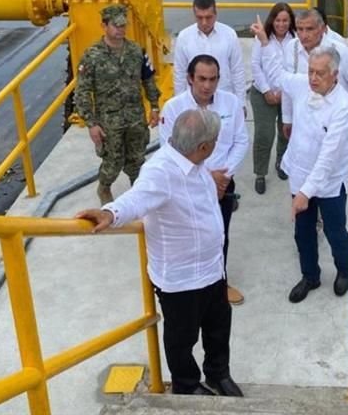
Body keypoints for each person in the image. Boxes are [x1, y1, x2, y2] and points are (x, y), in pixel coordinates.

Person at [76, 109, 244, 398]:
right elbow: (137, 198)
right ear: (203, 146)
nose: (216, 144)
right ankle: (187, 385)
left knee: (218, 328)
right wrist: (110, 212)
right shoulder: (160, 171)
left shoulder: (194, 161)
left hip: (212, 271)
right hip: (181, 280)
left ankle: (218, 374)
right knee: (182, 338)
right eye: (215, 140)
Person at [251, 15, 348, 304]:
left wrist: (305, 194)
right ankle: (310, 275)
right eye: (310, 71)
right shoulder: (301, 86)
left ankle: (343, 269)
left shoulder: (343, 106)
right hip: (300, 174)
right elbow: (277, 73)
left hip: (329, 181)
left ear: (335, 75)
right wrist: (263, 41)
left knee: (335, 231)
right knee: (303, 233)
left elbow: (328, 157)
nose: (312, 78)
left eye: (320, 73)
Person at [160, 55, 249, 306]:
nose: (207, 86)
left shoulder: (231, 104)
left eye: (212, 79)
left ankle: (219, 283)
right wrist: (207, 178)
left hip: (223, 184)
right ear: (190, 78)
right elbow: (168, 151)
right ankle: (190, 286)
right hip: (187, 187)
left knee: (219, 234)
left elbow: (241, 141)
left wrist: (224, 176)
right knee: (189, 235)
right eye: (201, 79)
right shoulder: (174, 109)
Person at [74, 4, 160, 203]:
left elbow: (148, 80)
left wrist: (154, 106)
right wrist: (91, 124)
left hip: (135, 118)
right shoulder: (92, 56)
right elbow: (83, 91)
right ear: (104, 26)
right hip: (109, 121)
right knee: (112, 161)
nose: (121, 29)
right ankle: (104, 188)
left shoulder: (136, 51)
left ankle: (138, 193)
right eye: (116, 25)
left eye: (123, 25)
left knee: (137, 159)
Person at [281, 8, 348, 135]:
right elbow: (287, 86)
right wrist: (287, 118)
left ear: (322, 29)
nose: (303, 35)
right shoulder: (291, 48)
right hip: (303, 120)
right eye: (299, 29)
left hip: (332, 120)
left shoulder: (340, 51)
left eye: (310, 29)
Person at [249, 2, 296, 194]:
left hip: (286, 93)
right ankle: (260, 173)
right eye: (278, 20)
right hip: (263, 93)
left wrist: (283, 92)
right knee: (264, 134)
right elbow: (255, 65)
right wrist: (267, 90)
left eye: (285, 20)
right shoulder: (262, 38)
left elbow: (291, 68)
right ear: (272, 20)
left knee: (286, 130)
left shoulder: (295, 40)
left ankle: (281, 161)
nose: (282, 24)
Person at [173, 0, 246, 108]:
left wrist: (241, 103)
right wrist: (180, 105)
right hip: (193, 102)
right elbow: (180, 73)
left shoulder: (229, 34)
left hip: (224, 100)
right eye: (199, 17)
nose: (204, 22)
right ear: (194, 15)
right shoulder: (184, 37)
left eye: (208, 17)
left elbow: (237, 71)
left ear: (216, 14)